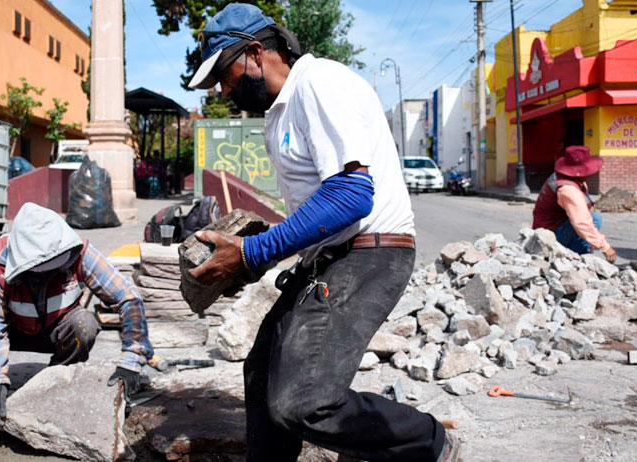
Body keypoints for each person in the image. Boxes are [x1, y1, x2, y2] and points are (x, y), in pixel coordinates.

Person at [186, 4, 455, 461]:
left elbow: (352, 196)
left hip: (372, 253)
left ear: (255, 53)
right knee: (262, 371)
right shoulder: (279, 114)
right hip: (332, 256)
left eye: (226, 76)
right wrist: (255, 253)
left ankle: (428, 442)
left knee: (304, 401)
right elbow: (321, 209)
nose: (225, 91)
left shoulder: (320, 83)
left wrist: (254, 253)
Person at [0, 203, 152, 435]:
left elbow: (128, 297)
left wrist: (132, 361)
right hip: (10, 329)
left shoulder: (80, 252)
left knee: (84, 323)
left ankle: (55, 385)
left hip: (57, 329)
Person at [533, 146, 617, 263]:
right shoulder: (568, 189)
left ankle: (583, 251)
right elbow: (581, 222)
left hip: (553, 227)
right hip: (550, 236)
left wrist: (592, 240)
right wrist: (605, 247)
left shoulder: (569, 180)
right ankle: (579, 257)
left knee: (592, 219)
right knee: (595, 219)